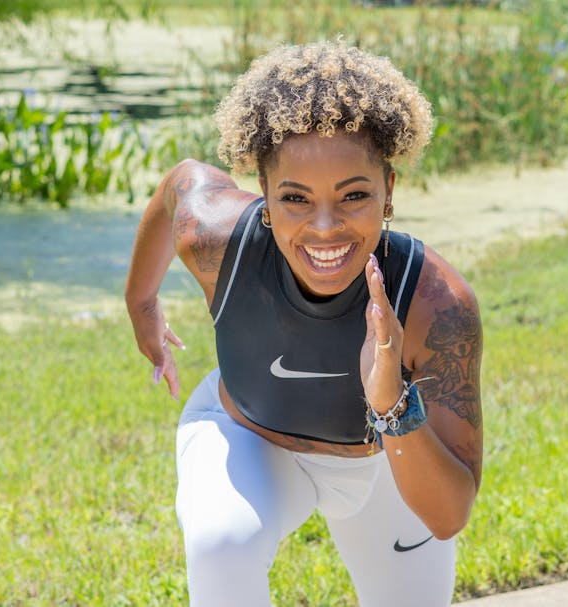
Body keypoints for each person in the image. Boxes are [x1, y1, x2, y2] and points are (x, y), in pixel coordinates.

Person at [125, 39, 483, 607]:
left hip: (386, 461)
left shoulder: (435, 303)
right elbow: (179, 184)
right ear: (263, 192)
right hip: (249, 438)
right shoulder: (219, 240)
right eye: (294, 198)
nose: (324, 228)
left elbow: (447, 514)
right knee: (223, 545)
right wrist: (142, 306)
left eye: (354, 196)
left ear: (389, 190)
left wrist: (390, 399)